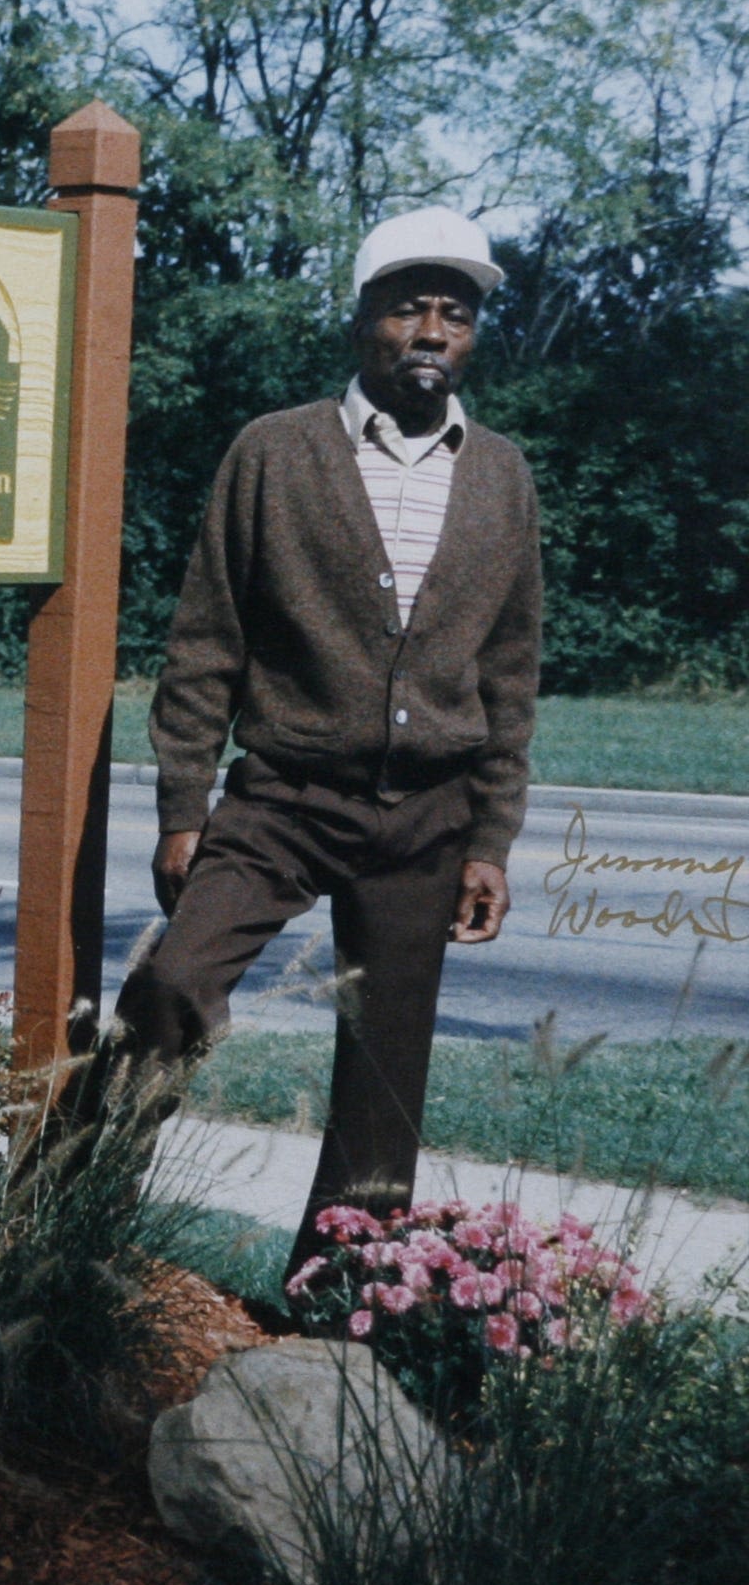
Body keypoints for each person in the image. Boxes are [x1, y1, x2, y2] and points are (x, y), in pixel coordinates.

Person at [107, 204, 542, 1277]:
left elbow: (511, 671)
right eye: (408, 308)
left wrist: (490, 838)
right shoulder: (273, 452)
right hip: (283, 801)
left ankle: (335, 1300)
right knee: (171, 985)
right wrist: (183, 809)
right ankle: (69, 1211)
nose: (432, 332)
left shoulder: (502, 475)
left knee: (384, 1087)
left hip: (429, 819)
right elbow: (206, 641)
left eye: (455, 313)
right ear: (362, 321)